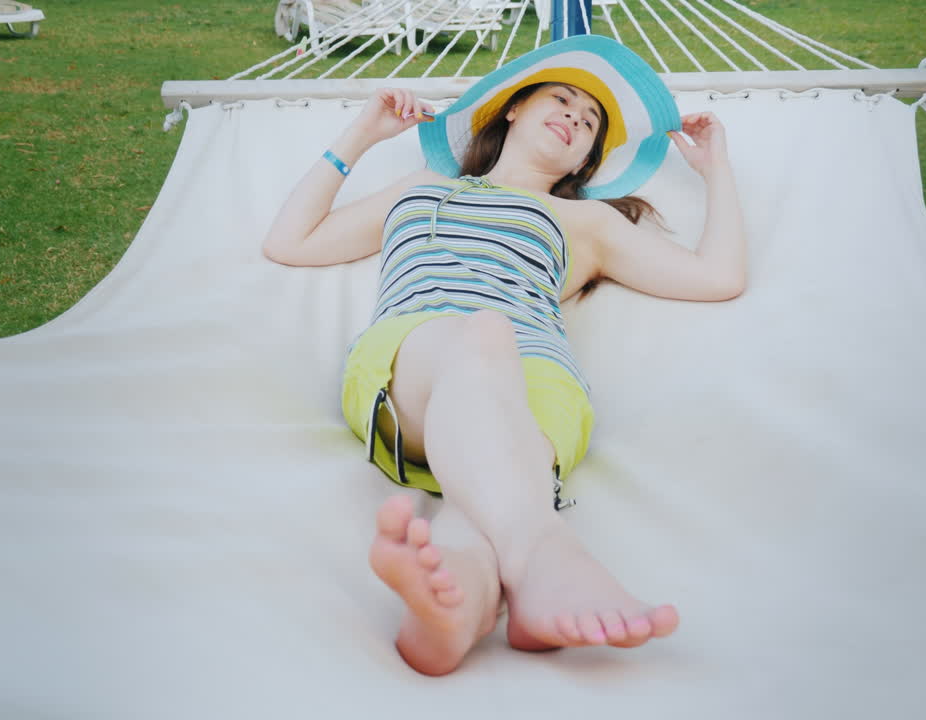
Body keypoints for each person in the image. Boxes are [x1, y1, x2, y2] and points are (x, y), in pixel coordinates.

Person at [262, 36, 746, 676]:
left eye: (590, 122)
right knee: (483, 332)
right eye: (563, 99)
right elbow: (290, 241)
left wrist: (716, 169)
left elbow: (718, 277)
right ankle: (545, 554)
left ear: (585, 157)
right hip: (412, 366)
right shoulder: (419, 190)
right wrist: (360, 135)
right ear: (513, 109)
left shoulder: (588, 223)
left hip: (537, 385)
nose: (576, 116)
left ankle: (459, 608)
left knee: (483, 496)